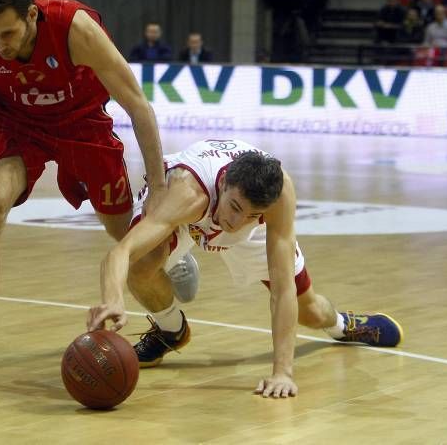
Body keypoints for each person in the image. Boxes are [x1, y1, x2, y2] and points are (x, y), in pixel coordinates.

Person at [0, 0, 167, 391]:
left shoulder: (75, 28)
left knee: (131, 245)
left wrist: (160, 187)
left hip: (84, 126)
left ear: (32, 15)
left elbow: (135, 101)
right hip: (18, 125)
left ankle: (170, 321)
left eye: (8, 33)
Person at [87, 139, 404, 399]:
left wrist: (283, 372)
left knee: (308, 311)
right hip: (187, 215)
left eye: (253, 214)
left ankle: (342, 325)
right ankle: (171, 330)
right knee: (141, 265)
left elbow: (283, 290)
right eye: (236, 208)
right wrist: (112, 298)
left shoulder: (278, 195)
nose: (236, 222)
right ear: (223, 183)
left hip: (227, 215)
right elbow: (119, 253)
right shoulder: (188, 192)